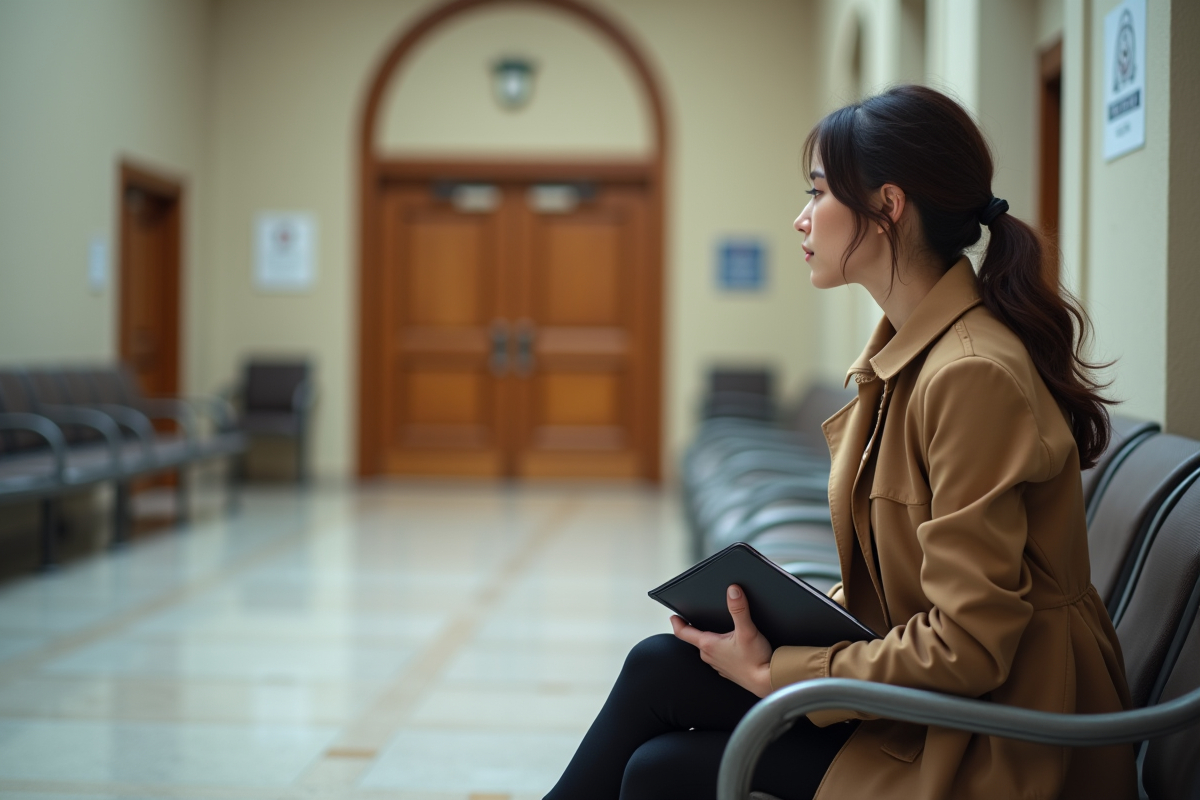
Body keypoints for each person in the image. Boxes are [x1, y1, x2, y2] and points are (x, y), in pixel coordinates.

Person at [542, 84, 1137, 800]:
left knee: (662, 771)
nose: (800, 219)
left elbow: (971, 647)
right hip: (932, 697)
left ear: (888, 205)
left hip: (997, 735)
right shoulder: (912, 358)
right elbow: (911, 589)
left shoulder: (971, 373)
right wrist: (775, 628)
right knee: (660, 666)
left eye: (818, 193)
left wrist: (778, 672)